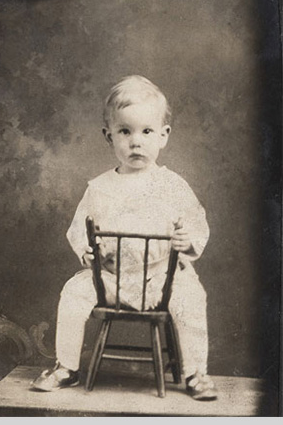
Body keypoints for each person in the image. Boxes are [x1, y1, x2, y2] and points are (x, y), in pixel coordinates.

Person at [31, 75, 217, 400]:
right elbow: (79, 229)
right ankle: (67, 366)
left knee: (191, 297)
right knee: (74, 292)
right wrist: (87, 252)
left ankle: (196, 373)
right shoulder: (99, 188)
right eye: (125, 131)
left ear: (164, 136)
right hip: (113, 280)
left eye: (147, 132)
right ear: (109, 136)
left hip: (161, 278)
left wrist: (185, 240)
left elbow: (196, 226)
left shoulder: (173, 186)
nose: (136, 142)